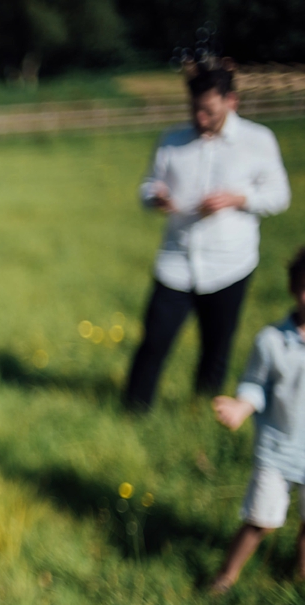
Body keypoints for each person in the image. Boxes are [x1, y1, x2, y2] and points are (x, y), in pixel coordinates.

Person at [124, 64, 291, 412]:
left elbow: (280, 196)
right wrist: (156, 196)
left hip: (230, 263)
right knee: (154, 340)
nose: (200, 118)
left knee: (216, 347)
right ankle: (132, 412)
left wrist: (237, 199)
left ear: (232, 101)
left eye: (209, 112)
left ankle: (200, 413)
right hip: (176, 260)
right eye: (194, 109)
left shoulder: (258, 141)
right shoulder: (172, 140)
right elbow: (146, 186)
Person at [210, 248, 305, 593]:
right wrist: (241, 407)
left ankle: (299, 580)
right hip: (278, 450)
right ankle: (227, 575)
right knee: (259, 521)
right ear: (293, 287)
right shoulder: (272, 341)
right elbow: (255, 384)